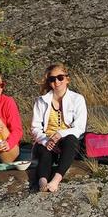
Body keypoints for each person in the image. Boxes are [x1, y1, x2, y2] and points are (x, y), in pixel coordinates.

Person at [31, 63, 87, 193]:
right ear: (49, 82)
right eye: (52, 79)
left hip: (66, 139)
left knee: (71, 140)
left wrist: (61, 134)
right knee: (45, 150)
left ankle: (56, 179)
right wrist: (46, 140)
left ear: (67, 78)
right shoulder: (41, 101)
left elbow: (80, 127)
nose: (56, 81)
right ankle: (42, 181)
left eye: (60, 77)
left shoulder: (77, 99)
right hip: (46, 138)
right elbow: (35, 128)